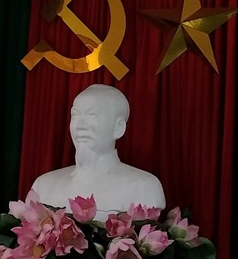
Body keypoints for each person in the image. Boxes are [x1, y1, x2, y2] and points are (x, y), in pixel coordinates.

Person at [31, 84, 165, 219]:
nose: (80, 126)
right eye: (75, 115)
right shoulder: (43, 185)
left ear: (118, 128)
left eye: (92, 115)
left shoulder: (144, 187)